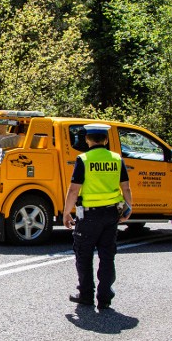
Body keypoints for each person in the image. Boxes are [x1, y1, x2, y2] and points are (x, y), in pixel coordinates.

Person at [63, 124, 133, 309]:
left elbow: (73, 190)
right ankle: (105, 298)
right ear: (106, 140)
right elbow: (125, 187)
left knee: (84, 255)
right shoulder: (117, 159)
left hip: (89, 215)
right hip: (111, 214)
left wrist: (66, 212)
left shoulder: (84, 159)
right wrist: (128, 207)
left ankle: (86, 295)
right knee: (107, 255)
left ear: (87, 139)